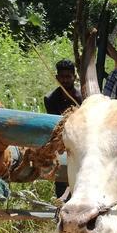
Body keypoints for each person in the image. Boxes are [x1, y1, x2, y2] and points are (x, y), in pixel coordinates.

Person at [44, 60, 80, 200]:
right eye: (62, 77)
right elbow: (56, 125)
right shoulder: (50, 98)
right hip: (61, 142)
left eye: (68, 76)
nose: (65, 80)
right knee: (61, 175)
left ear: (74, 77)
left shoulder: (82, 97)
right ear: (57, 77)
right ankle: (61, 205)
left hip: (79, 141)